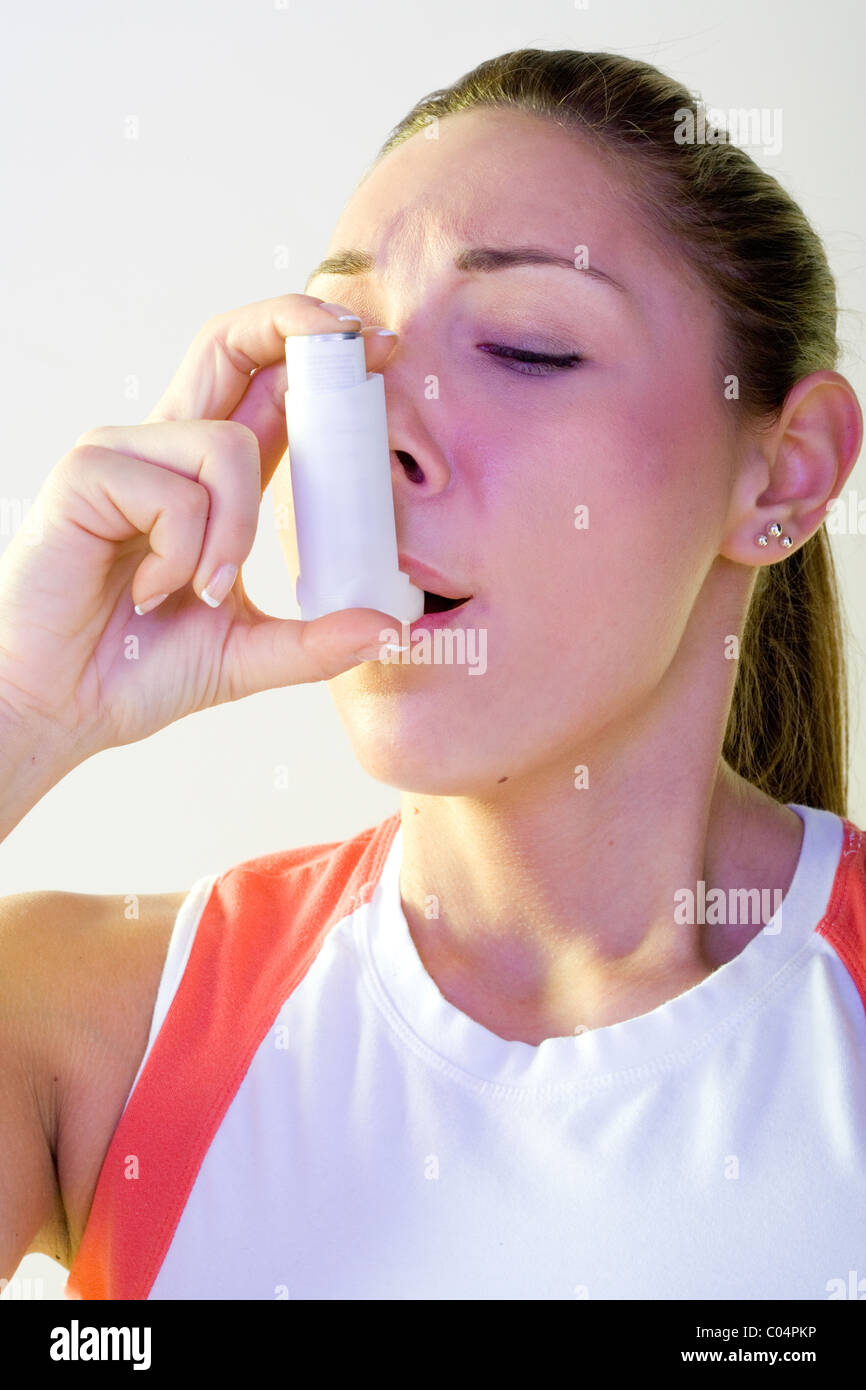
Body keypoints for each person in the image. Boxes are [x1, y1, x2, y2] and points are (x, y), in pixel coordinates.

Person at [1, 47, 864, 1301]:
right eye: (339, 359)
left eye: (523, 348)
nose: (377, 431)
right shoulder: (79, 1024)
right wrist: (21, 716)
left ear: (781, 473)